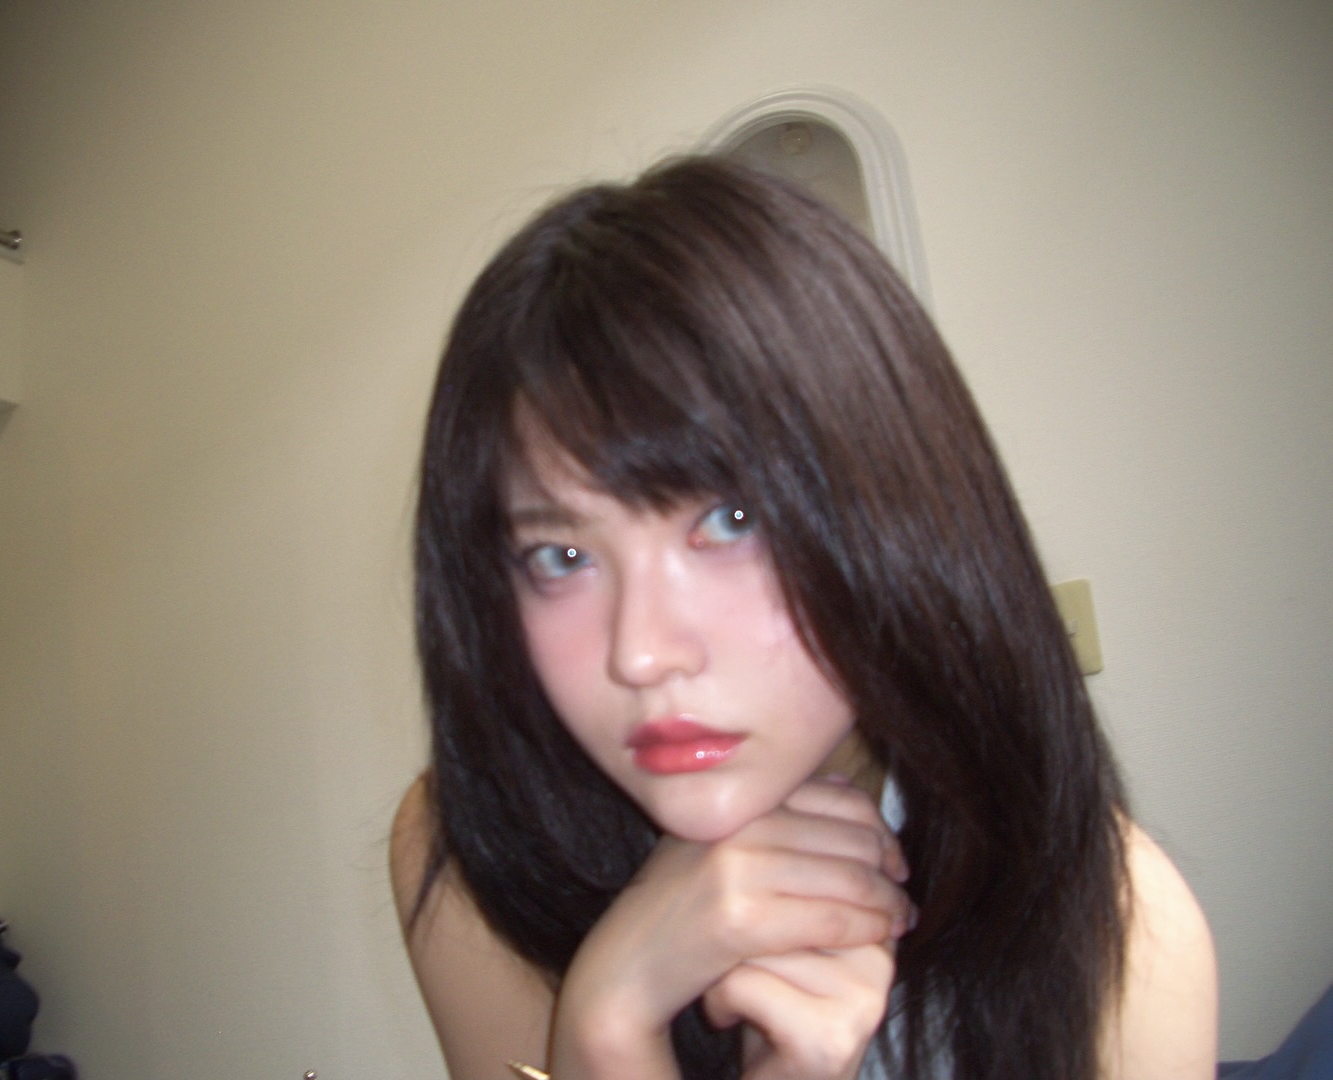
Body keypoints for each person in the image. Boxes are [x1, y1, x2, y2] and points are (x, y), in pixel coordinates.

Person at [389, 156, 1216, 1080]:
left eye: (730, 521)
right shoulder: (470, 855)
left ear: (896, 516)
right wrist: (604, 1031)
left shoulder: (1127, 946)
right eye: (561, 557)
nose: (643, 655)